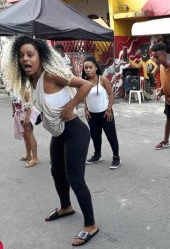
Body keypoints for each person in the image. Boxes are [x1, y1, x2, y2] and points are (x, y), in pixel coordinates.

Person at [2, 35, 99, 246]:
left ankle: (90, 225)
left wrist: (70, 106)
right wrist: (32, 115)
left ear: (40, 56)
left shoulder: (51, 75)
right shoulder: (32, 80)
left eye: (30, 54)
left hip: (75, 131)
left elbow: (85, 85)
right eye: (21, 56)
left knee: (75, 178)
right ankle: (66, 207)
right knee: (56, 171)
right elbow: (42, 103)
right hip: (59, 134)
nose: (25, 59)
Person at [82, 56, 121, 170]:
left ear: (95, 67)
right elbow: (84, 96)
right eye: (86, 68)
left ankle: (116, 157)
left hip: (105, 113)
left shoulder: (102, 79)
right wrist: (85, 109)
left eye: (90, 67)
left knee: (111, 136)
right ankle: (97, 155)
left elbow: (111, 94)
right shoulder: (84, 82)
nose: (88, 70)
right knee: (95, 136)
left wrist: (109, 110)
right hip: (91, 115)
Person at [11, 88, 40, 168]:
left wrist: (27, 117)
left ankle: (35, 158)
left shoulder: (24, 89)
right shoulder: (12, 89)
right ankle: (28, 155)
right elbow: (13, 101)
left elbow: (30, 104)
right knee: (25, 136)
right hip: (19, 114)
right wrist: (14, 112)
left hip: (26, 114)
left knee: (29, 134)